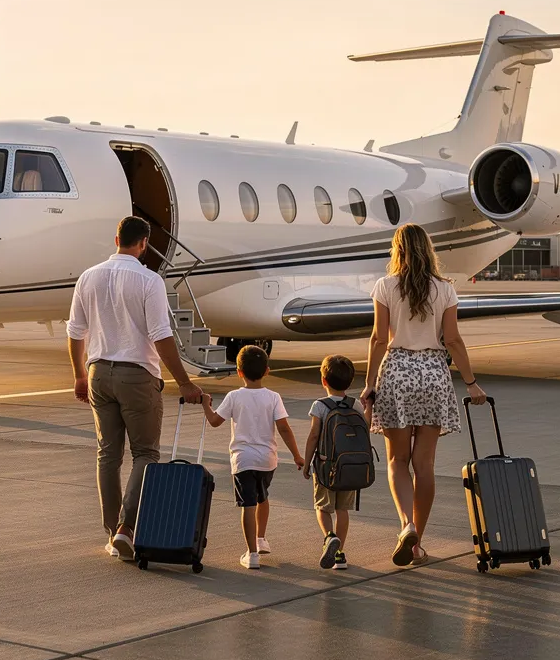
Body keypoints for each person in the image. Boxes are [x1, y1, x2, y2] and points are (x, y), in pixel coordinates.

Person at [67, 215, 203, 562]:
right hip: (137, 375)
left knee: (107, 455)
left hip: (98, 372)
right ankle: (128, 529)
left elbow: (75, 331)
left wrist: (80, 376)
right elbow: (161, 336)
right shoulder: (149, 280)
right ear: (143, 243)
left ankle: (112, 532)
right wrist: (184, 382)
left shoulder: (88, 277)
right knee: (145, 454)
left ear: (116, 238)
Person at [359, 223, 487, 567]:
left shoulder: (385, 286)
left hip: (397, 373)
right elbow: (453, 340)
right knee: (424, 464)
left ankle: (407, 525)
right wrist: (472, 382)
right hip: (433, 374)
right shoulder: (445, 289)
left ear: (396, 250)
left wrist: (370, 383)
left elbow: (377, 338)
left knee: (397, 461)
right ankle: (417, 545)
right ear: (428, 250)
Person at [200, 345, 304, 570]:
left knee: (248, 505)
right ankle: (261, 538)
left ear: (239, 372)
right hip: (268, 460)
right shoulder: (273, 397)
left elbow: (215, 421)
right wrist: (297, 455)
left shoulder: (234, 396)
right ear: (267, 371)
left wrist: (206, 405)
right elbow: (284, 428)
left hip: (243, 460)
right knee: (262, 497)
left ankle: (252, 553)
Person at [302, 354, 360, 570]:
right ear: (350, 381)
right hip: (350, 466)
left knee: (323, 507)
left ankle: (329, 537)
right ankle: (340, 555)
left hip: (326, 466)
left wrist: (307, 463)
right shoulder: (355, 405)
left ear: (323, 381)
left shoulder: (320, 406)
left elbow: (314, 436)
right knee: (342, 510)